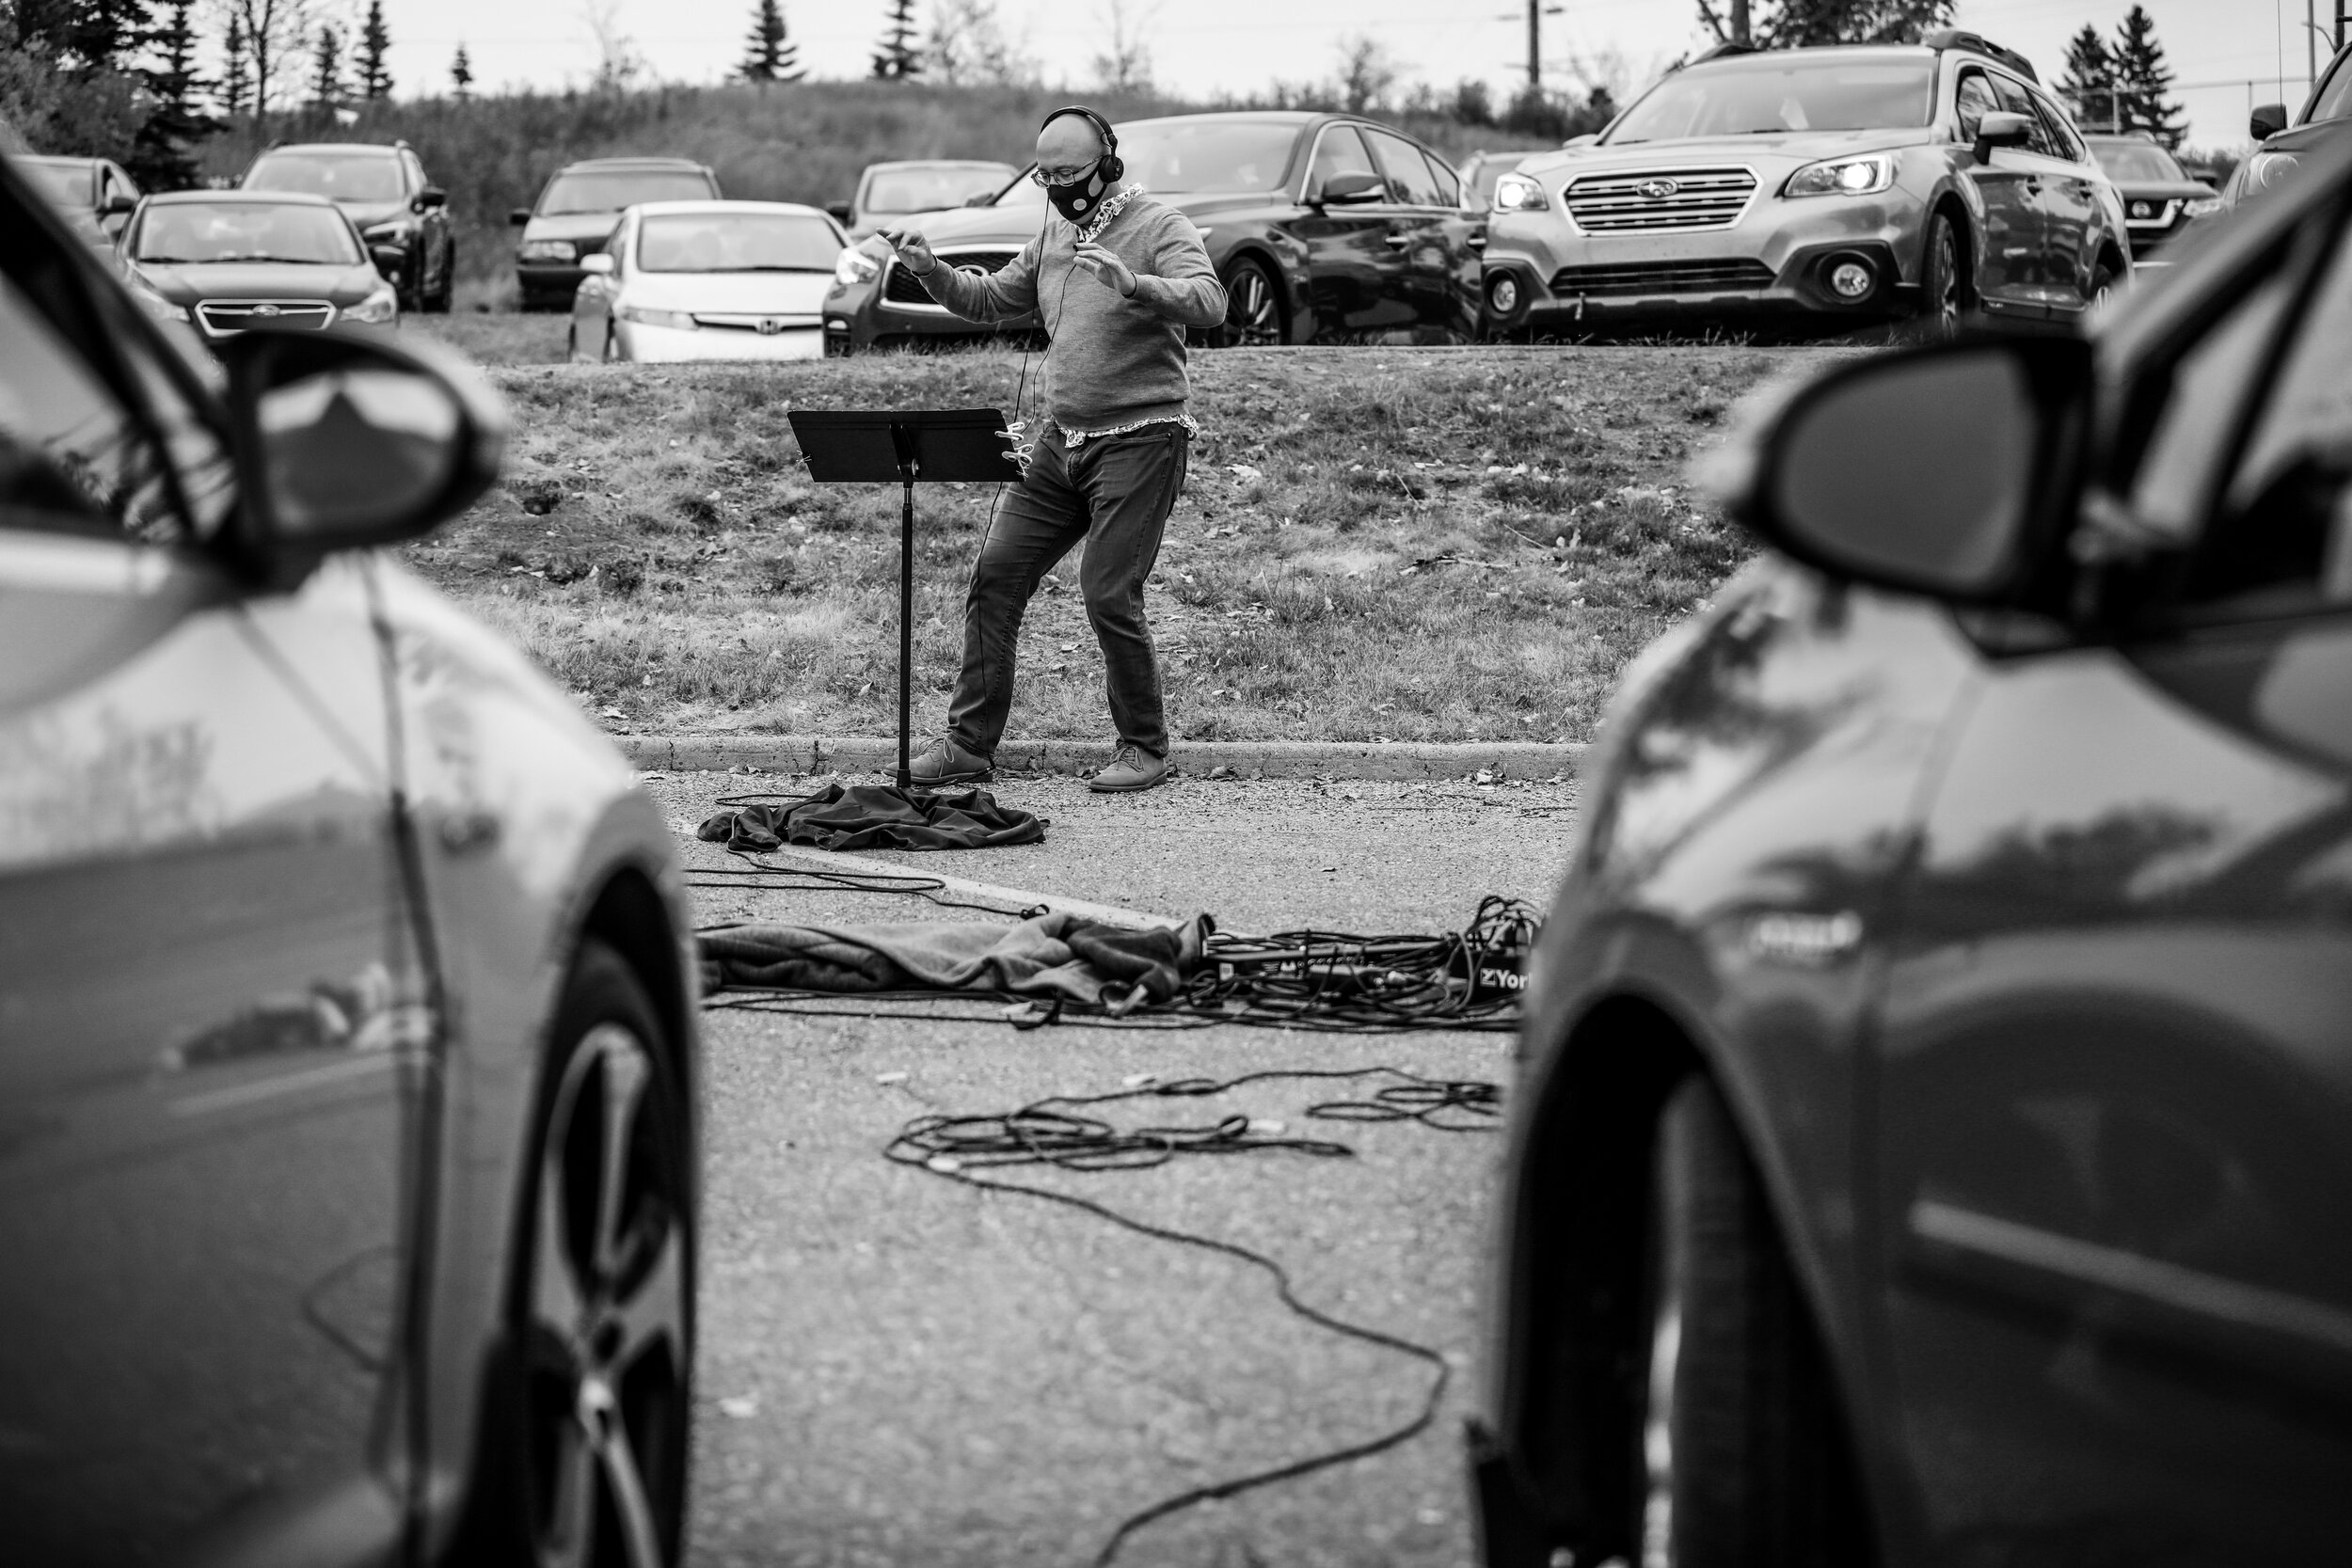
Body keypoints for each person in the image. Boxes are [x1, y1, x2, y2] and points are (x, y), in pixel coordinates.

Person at [877, 106, 1226, 793]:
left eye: (1069, 172)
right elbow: (990, 299)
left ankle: (1144, 747)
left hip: (1142, 439)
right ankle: (968, 745)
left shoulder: (1159, 225)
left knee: (1107, 591)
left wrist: (1135, 284)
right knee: (996, 574)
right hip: (1060, 442)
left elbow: (1210, 301)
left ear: (1109, 162)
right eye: (1046, 174)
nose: (1058, 185)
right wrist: (929, 271)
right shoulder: (1054, 232)